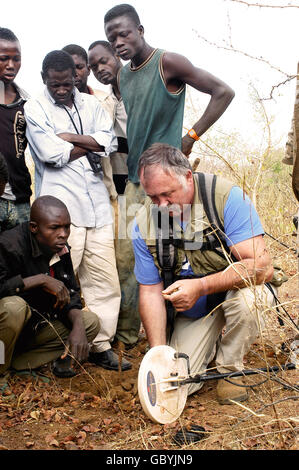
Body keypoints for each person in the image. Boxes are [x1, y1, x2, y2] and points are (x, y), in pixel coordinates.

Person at [103, 4, 235, 349]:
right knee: (129, 258)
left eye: (123, 33)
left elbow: (224, 92)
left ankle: (190, 328)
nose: (118, 42)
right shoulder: (123, 76)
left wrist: (189, 138)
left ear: (140, 30)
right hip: (136, 183)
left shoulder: (168, 63)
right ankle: (129, 339)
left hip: (169, 182)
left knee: (178, 253)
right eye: (111, 37)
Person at [132, 143, 279, 404]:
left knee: (253, 301)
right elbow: (150, 291)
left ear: (188, 177)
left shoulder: (226, 197)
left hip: (236, 292)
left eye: (168, 194)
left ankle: (230, 369)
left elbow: (261, 266)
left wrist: (201, 286)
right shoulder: (142, 222)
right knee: (179, 384)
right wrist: (159, 354)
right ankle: (205, 346)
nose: (161, 205)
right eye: (153, 197)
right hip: (198, 309)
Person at [24, 50, 131, 371]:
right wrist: (91, 142)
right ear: (44, 78)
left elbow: (109, 142)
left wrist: (70, 138)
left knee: (104, 281)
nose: (61, 89)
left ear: (75, 78)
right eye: (55, 84)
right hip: (61, 212)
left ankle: (100, 346)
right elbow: (50, 153)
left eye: (66, 83)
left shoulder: (90, 103)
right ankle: (62, 352)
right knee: (63, 283)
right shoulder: (35, 107)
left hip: (98, 204)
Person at [0, 196, 100, 386]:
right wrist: (40, 280)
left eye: (67, 227)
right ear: (33, 227)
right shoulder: (8, 245)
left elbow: (71, 294)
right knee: (15, 308)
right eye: (54, 228)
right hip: (5, 328)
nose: (63, 234)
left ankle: (18, 363)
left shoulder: (60, 249)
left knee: (89, 323)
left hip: (30, 331)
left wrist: (78, 327)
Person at [0, 27, 32, 232]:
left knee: (21, 258)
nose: (11, 65)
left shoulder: (28, 103)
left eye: (16, 59)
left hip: (21, 198)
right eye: (4, 58)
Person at [88, 40, 128, 196]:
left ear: (117, 55)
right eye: (94, 67)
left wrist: (191, 136)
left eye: (103, 62)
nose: (100, 69)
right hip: (122, 189)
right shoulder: (104, 102)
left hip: (158, 184)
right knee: (129, 221)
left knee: (166, 221)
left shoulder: (141, 90)